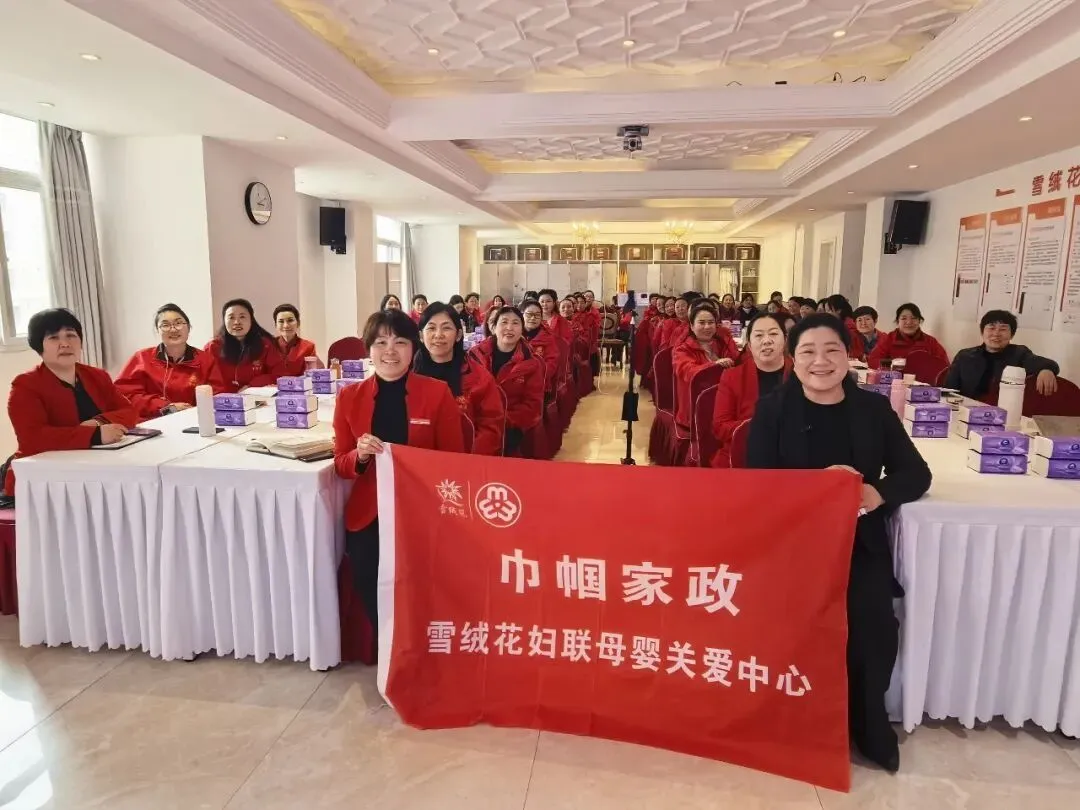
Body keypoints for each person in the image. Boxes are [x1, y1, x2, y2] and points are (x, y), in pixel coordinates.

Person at [746, 313, 931, 773]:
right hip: (792, 540)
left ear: (849, 356)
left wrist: (876, 493)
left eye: (832, 350)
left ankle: (867, 722)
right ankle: (793, 715)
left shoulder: (873, 410)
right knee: (790, 623)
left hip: (857, 541)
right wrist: (818, 488)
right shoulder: (773, 409)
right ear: (793, 359)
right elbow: (756, 485)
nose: (820, 361)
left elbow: (915, 472)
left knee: (872, 623)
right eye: (808, 352)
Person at [334, 309, 464, 650]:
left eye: (400, 342)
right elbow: (341, 464)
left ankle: (418, 646)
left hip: (422, 509)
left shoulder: (437, 393)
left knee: (420, 584)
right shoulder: (349, 397)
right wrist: (360, 456)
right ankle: (389, 647)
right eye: (380, 342)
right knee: (368, 574)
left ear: (413, 348)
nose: (390, 351)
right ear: (368, 349)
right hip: (370, 510)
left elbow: (454, 462)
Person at [5, 308, 139, 496]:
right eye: (54, 338)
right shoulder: (25, 386)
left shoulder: (97, 376)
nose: (65, 344)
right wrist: (94, 435)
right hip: (40, 480)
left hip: (96, 469)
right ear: (39, 346)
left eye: (71, 335)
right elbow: (33, 438)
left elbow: (129, 412)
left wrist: (97, 422)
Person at [414, 303, 505, 455]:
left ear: (458, 335)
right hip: (419, 460)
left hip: (465, 460)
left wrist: (468, 460)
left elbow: (491, 426)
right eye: (431, 328)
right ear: (421, 336)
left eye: (446, 328)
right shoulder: (409, 376)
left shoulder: (478, 377)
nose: (438, 334)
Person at [115, 304, 228, 420]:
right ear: (157, 330)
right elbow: (124, 395)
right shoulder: (142, 358)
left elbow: (216, 397)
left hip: (193, 422)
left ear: (188, 328)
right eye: (165, 325)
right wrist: (166, 407)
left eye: (178, 323)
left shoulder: (205, 360)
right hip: (150, 423)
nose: (173, 329)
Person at [710, 312, 791, 468]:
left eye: (774, 334)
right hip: (743, 455)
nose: (767, 341)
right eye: (759, 335)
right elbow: (720, 427)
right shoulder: (733, 377)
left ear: (785, 340)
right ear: (749, 345)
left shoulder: (800, 373)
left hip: (792, 456)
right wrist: (759, 426)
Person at [469, 306, 544, 456]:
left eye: (515, 323)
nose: (509, 328)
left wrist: (502, 420)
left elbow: (532, 405)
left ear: (522, 329)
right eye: (504, 322)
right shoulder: (475, 356)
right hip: (477, 425)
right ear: (493, 327)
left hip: (511, 427)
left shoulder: (531, 363)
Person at [944, 309, 1060, 399]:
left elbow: (1048, 363)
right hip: (966, 411)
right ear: (982, 332)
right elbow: (949, 390)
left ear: (1012, 334)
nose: (996, 333)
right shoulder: (965, 356)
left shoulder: (1019, 354)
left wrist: (1046, 370)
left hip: (1003, 413)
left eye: (1003, 329)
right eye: (991, 328)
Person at [672, 300, 739, 430]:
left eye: (711, 322)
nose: (707, 327)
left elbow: (738, 362)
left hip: (725, 406)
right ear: (692, 326)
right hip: (696, 411)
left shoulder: (721, 343)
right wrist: (714, 365)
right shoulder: (682, 350)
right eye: (702, 323)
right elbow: (689, 372)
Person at [204, 298, 284, 391]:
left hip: (255, 396)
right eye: (231, 317)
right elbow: (205, 379)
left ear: (251, 320)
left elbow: (278, 374)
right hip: (222, 398)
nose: (237, 322)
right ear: (224, 321)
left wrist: (252, 385)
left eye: (242, 317)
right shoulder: (212, 347)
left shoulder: (265, 345)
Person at [868, 303, 949, 369]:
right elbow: (873, 360)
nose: (909, 322)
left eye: (913, 318)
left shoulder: (930, 342)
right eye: (904, 318)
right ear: (898, 321)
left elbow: (945, 365)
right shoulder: (889, 339)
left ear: (919, 321)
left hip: (922, 382)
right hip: (895, 380)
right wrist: (894, 364)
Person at [521, 300, 562, 398]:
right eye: (529, 314)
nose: (533, 318)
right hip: (514, 383)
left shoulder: (548, 338)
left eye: (537, 315)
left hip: (539, 385)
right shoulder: (514, 335)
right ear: (521, 315)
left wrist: (532, 377)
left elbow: (551, 365)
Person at [272, 304, 320, 376]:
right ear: (276, 325)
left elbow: (311, 375)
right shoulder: (268, 346)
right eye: (281, 321)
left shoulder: (308, 347)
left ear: (298, 323)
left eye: (290, 320)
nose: (286, 325)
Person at [823, 294, 865, 361]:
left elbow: (854, 353)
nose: (826, 314)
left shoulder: (849, 328)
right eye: (825, 311)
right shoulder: (837, 325)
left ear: (838, 310)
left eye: (829, 310)